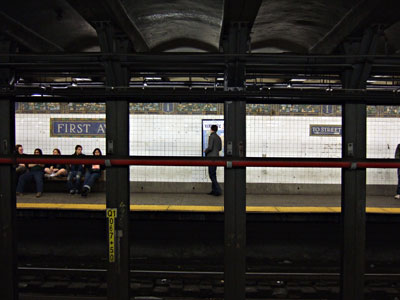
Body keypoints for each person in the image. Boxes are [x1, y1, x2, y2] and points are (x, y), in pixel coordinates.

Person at [204, 124, 222, 196]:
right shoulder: (218, 137)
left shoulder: (211, 136)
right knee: (213, 174)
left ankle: (218, 190)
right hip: (216, 158)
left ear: (211, 129)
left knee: (211, 174)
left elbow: (210, 147)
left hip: (211, 158)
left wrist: (205, 151)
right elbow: (220, 148)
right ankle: (214, 191)